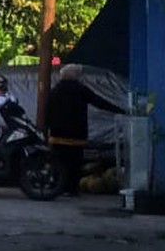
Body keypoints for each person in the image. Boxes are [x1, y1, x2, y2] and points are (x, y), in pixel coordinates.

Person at [45, 64, 129, 194]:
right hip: (76, 133)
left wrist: (47, 129)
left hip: (57, 134)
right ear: (75, 76)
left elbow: (47, 111)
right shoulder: (80, 90)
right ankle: (72, 189)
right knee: (74, 162)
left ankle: (59, 187)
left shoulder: (54, 90)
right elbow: (99, 102)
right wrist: (121, 110)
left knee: (59, 162)